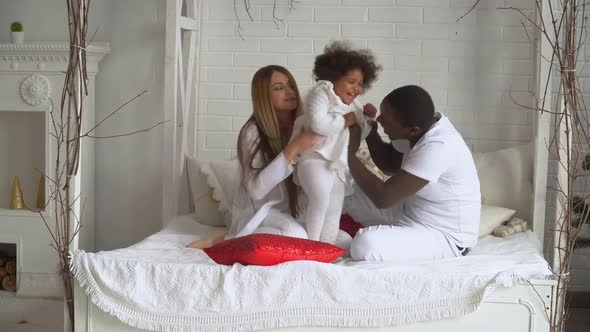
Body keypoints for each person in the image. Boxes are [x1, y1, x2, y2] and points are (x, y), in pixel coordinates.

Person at [187, 65, 318, 249]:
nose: (290, 91)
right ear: (263, 95)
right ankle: (224, 240)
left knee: (337, 237)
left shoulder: (303, 125)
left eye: (290, 85)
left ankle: (230, 235)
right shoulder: (252, 132)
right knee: (296, 236)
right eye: (279, 87)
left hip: (294, 211)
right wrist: (293, 149)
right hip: (261, 212)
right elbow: (256, 189)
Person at [345, 85, 481, 262]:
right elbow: (389, 163)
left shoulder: (438, 147)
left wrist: (349, 153)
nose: (380, 119)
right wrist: (368, 128)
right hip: (410, 212)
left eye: (386, 120)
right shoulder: (421, 126)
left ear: (413, 129)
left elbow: (383, 198)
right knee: (343, 192)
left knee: (364, 244)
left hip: (445, 237)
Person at [290, 41, 381, 244]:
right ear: (333, 78)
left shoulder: (354, 106)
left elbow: (360, 135)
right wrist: (343, 121)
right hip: (313, 157)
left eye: (360, 84)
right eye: (351, 81)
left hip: (337, 164)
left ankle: (327, 249)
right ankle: (311, 246)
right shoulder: (322, 93)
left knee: (334, 207)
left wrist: (368, 119)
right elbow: (317, 123)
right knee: (320, 198)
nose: (357, 88)